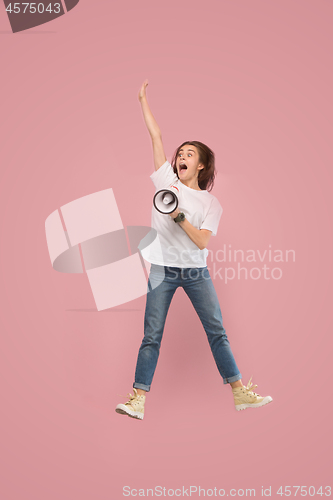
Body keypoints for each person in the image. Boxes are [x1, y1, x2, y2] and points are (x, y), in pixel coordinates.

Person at [115, 80, 272, 420]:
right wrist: (142, 99)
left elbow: (201, 240)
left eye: (189, 154)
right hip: (161, 269)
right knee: (151, 335)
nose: (181, 156)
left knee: (216, 331)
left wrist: (178, 217)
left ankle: (239, 391)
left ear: (201, 165)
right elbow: (155, 136)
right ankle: (138, 399)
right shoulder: (166, 183)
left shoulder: (210, 203)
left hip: (195, 271)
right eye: (180, 153)